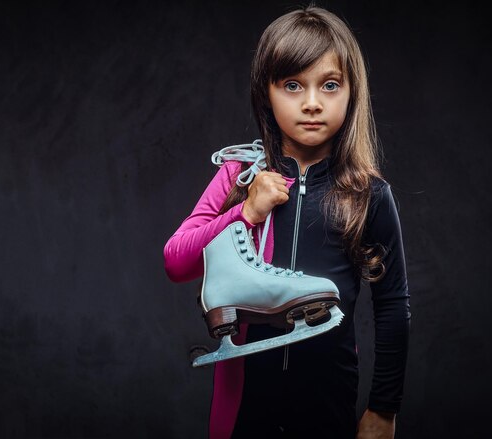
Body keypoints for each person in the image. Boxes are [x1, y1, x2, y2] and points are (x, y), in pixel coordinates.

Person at [163, 4, 410, 439]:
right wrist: (246, 212)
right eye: (293, 85)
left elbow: (391, 306)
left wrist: (384, 409)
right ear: (266, 92)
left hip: (327, 400)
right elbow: (176, 261)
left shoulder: (368, 194)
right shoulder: (238, 176)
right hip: (243, 407)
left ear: (352, 92)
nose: (312, 103)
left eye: (329, 85)